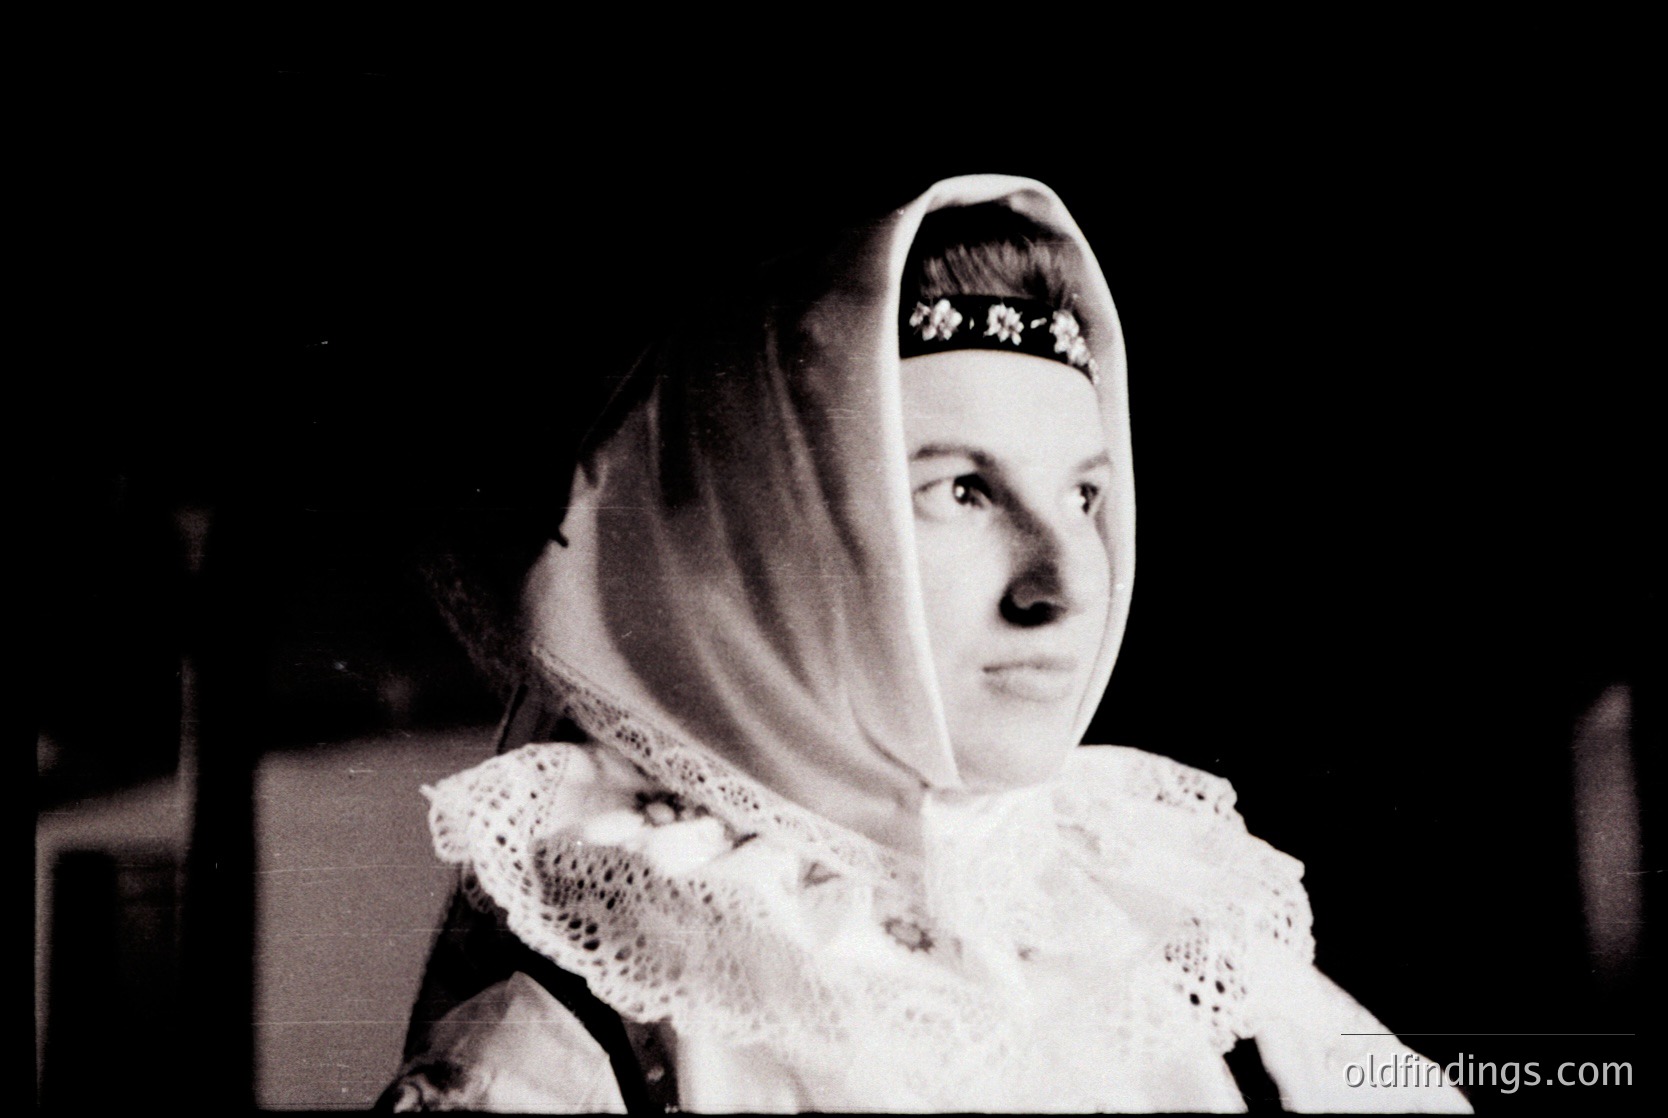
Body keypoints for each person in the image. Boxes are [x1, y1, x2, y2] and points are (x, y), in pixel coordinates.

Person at [379, 175, 1470, 1112]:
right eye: (961, 489)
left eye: (1085, 493)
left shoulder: (1169, 926)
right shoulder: (584, 1035)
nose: (1065, 580)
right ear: (767, 542)